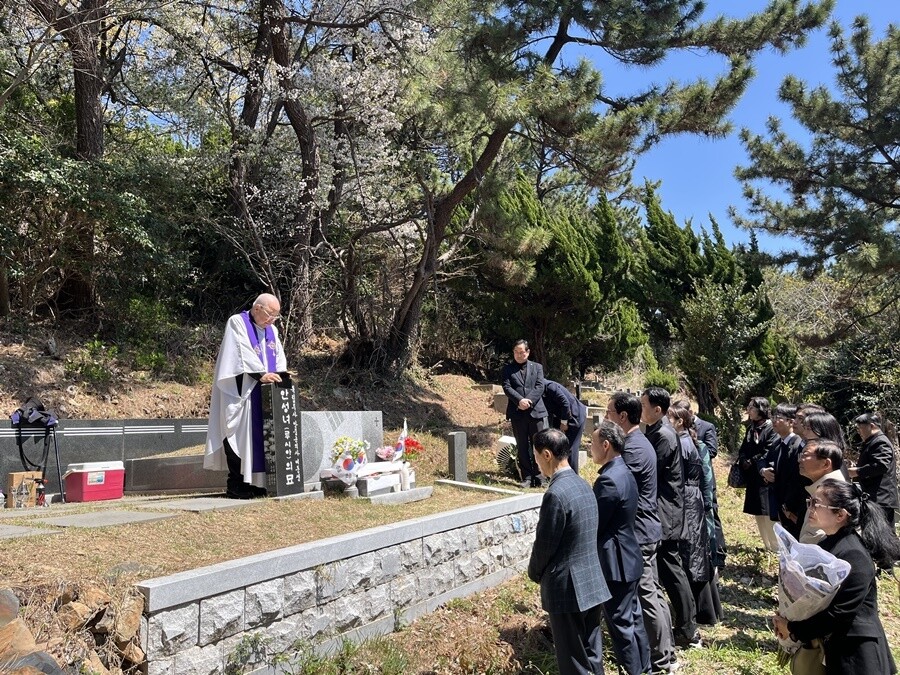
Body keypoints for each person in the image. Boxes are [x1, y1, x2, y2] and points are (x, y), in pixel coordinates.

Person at [773, 479, 900, 674]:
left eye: (816, 504)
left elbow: (839, 614)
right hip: (836, 647)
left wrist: (793, 628)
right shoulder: (829, 543)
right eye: (810, 502)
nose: (810, 509)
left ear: (840, 515)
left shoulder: (854, 554)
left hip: (858, 654)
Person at [528, 428, 611, 675]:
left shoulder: (555, 494)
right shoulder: (583, 484)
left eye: (535, 456)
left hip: (567, 589)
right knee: (592, 654)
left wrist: (534, 572)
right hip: (592, 582)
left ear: (546, 455)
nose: (535, 462)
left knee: (573, 660)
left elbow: (545, 545)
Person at [607, 392, 678, 674]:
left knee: (647, 595)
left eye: (610, 413)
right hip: (646, 528)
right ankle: (666, 651)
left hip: (640, 531)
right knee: (653, 592)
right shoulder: (638, 441)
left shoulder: (634, 447)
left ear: (622, 416)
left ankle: (661, 658)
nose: (607, 417)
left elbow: (619, 488)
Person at [204, 293, 287, 499]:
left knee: (262, 438)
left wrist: (281, 374)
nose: (272, 320)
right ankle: (236, 484)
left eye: (276, 316)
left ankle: (258, 483)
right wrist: (260, 374)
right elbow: (240, 352)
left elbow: (278, 355)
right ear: (257, 308)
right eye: (270, 315)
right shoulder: (238, 322)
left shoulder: (272, 330)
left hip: (264, 392)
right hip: (240, 391)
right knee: (237, 435)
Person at [641, 387, 700, 650]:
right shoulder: (656, 431)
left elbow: (649, 471)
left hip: (667, 512)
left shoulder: (663, 435)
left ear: (657, 409)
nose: (641, 409)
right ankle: (684, 624)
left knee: (672, 569)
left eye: (644, 405)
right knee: (669, 569)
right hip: (664, 508)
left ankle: (688, 628)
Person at [590, 421, 651, 675]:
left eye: (592, 444)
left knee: (621, 625)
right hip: (629, 556)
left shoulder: (608, 481)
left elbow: (596, 524)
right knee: (634, 619)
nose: (590, 448)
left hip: (615, 563)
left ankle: (634, 670)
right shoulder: (624, 471)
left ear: (606, 445)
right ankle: (645, 668)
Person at [666, 406, 715, 626]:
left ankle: (695, 611)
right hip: (692, 499)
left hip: (687, 500)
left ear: (680, 422)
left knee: (691, 555)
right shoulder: (687, 440)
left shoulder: (682, 443)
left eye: (669, 418)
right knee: (695, 554)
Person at [501, 340, 548, 488]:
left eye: (522, 352)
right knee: (521, 445)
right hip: (517, 413)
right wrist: (519, 401)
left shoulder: (537, 367)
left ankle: (540, 476)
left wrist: (529, 401)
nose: (519, 355)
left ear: (527, 352)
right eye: (516, 352)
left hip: (536, 412)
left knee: (538, 445)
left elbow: (540, 386)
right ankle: (527, 477)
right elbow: (507, 387)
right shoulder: (508, 369)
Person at [738, 397, 781, 552]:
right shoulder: (751, 427)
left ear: (761, 409)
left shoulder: (770, 428)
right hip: (753, 476)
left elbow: (768, 449)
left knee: (768, 512)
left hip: (765, 476)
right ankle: (766, 546)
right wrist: (743, 458)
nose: (748, 410)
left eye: (752, 407)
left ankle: (776, 548)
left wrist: (752, 461)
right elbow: (744, 447)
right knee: (757, 511)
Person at [761, 403, 806, 539]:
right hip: (780, 505)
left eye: (778, 417)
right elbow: (765, 461)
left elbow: (796, 479)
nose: (774, 421)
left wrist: (789, 507)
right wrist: (764, 472)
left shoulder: (798, 445)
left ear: (790, 421)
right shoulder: (777, 443)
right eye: (773, 417)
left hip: (793, 508)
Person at [851, 413, 899, 526]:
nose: (858, 431)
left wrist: (857, 471)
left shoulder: (880, 441)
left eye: (860, 427)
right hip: (876, 498)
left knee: (883, 533)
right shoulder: (873, 441)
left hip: (881, 499)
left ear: (871, 426)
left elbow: (881, 465)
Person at [797, 439, 847, 544]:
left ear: (826, 464)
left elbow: (818, 537)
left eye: (805, 455)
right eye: (801, 455)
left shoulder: (835, 493)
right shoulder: (825, 487)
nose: (800, 460)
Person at [543, 379, 588, 473]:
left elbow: (565, 403)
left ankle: (572, 475)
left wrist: (564, 423)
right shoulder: (539, 390)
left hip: (575, 415)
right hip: (560, 417)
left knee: (570, 448)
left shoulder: (550, 386)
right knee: (558, 447)